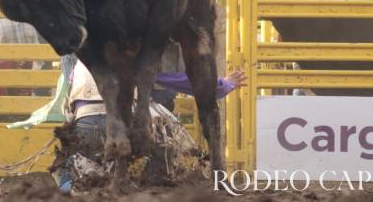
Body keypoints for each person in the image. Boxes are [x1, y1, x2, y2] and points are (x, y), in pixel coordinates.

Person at [55, 60, 246, 193]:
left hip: (84, 122)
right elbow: (180, 81)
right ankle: (152, 184)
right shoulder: (130, 57)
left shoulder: (79, 62)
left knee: (70, 176)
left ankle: (68, 190)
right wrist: (224, 85)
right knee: (161, 150)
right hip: (122, 125)